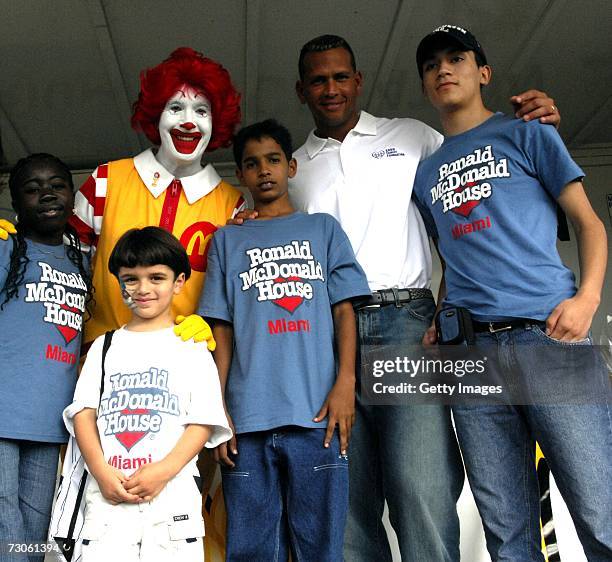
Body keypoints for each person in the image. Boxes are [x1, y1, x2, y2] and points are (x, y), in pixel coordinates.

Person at [279, 34, 561, 562]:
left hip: (406, 322)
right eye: (318, 80)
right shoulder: (292, 168)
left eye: (342, 76)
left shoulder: (411, 137)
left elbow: (464, 206)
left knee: (421, 485)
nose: (332, 88)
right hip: (325, 336)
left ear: (359, 80)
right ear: (301, 90)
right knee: (347, 499)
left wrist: (533, 120)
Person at [413, 24, 611, 561]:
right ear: (426, 85)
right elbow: (452, 259)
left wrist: (587, 298)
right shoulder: (425, 174)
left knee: (601, 511)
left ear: (483, 73)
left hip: (546, 337)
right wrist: (441, 314)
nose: (444, 70)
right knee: (507, 530)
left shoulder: (528, 133)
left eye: (456, 58)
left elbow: (590, 223)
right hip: (471, 355)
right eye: (432, 65)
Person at [199, 119, 371, 561]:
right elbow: (222, 330)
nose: (265, 171)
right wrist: (217, 411)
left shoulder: (323, 229)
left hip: (318, 418)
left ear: (291, 166)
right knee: (253, 549)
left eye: (273, 159)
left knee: (321, 547)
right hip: (247, 422)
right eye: (252, 164)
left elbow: (343, 310)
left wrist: (345, 383)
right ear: (241, 175)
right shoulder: (227, 240)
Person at [64, 226, 232, 561]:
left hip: (171, 502)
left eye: (156, 277)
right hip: (108, 499)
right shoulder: (104, 346)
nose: (143, 289)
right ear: (119, 281)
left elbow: (203, 420)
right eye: (131, 278)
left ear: (179, 281)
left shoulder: (192, 347)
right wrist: (100, 469)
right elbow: (83, 412)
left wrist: (163, 470)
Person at [70, 47, 244, 349]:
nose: (189, 122)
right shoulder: (106, 181)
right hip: (102, 362)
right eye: (176, 108)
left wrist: (209, 325)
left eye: (201, 111)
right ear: (156, 115)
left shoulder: (232, 204)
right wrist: (15, 242)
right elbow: (59, 269)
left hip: (184, 367)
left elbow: (232, 298)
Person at [0, 153, 92, 560]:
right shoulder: (6, 247)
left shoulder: (82, 261)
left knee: (35, 533)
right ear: (16, 201)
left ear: (71, 195)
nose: (46, 195)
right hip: (3, 412)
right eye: (32, 189)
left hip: (50, 421)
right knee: (6, 525)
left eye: (56, 185)